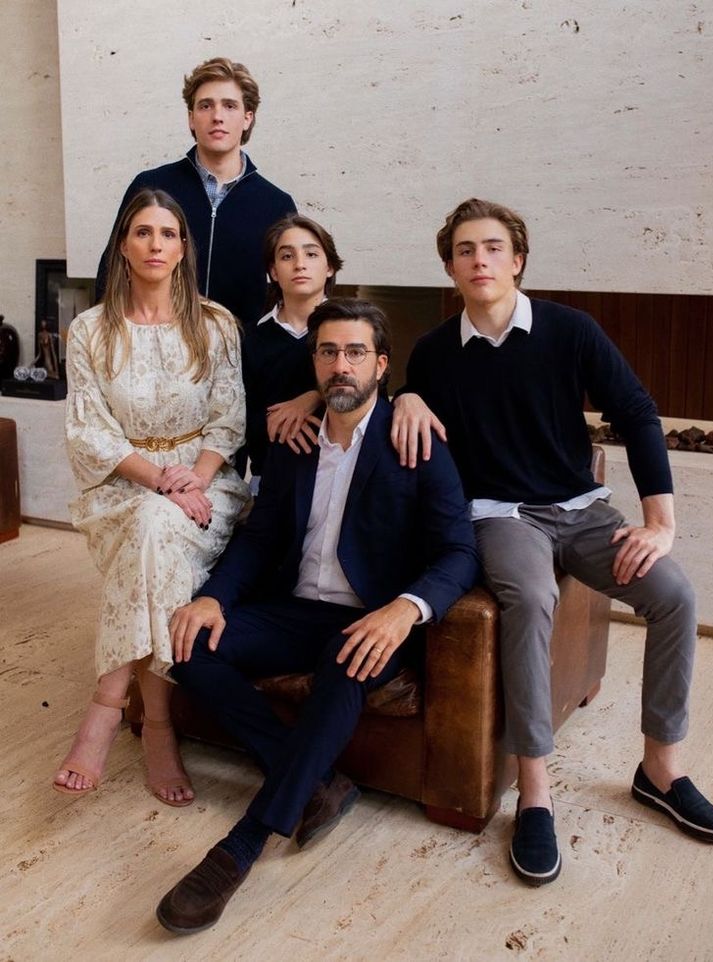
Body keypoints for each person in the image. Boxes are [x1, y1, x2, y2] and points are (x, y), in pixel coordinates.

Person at [392, 198, 713, 886]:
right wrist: (404, 395)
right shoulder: (433, 353)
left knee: (672, 594)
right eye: (464, 250)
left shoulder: (568, 331)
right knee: (529, 594)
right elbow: (405, 397)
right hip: (497, 514)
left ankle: (659, 769)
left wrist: (659, 523)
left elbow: (635, 412)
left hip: (579, 509)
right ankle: (535, 793)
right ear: (450, 267)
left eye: (492, 247)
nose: (479, 259)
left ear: (517, 260)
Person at [155, 297, 478, 934]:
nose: (341, 366)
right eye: (328, 352)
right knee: (191, 648)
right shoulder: (296, 444)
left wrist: (404, 611)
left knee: (346, 657)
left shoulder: (413, 441)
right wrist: (213, 597)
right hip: (293, 610)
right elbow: (259, 537)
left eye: (356, 352)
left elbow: (458, 552)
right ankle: (318, 782)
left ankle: (241, 846)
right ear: (315, 362)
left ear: (382, 365)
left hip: (369, 619)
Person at [54, 188, 251, 807]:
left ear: (183, 247)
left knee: (154, 529)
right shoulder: (90, 329)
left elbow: (230, 417)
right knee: (149, 523)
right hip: (123, 483)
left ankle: (110, 710)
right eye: (143, 232)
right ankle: (159, 726)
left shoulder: (215, 323)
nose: (156, 244)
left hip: (206, 481)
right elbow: (88, 428)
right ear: (123, 244)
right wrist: (159, 479)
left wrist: (192, 475)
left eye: (168, 233)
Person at [96, 56, 296, 327]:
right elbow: (112, 269)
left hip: (240, 358)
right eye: (205, 106)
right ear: (191, 118)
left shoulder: (275, 204)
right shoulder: (151, 186)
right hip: (157, 350)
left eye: (229, 106)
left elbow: (290, 294)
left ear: (247, 118)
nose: (217, 117)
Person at [242, 213, 343, 491]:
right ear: (274, 272)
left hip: (338, 477)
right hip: (270, 480)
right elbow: (244, 421)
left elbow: (372, 395)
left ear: (330, 267)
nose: (300, 265)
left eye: (311, 254)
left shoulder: (352, 329)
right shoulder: (250, 339)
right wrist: (286, 427)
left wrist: (312, 397)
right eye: (287, 257)